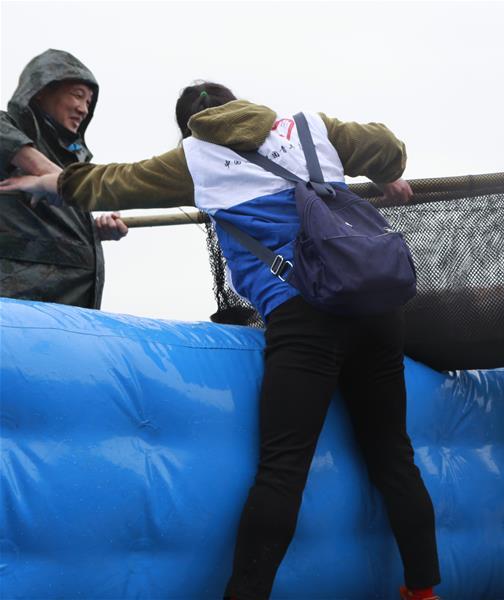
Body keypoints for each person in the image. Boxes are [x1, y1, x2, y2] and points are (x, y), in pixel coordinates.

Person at [0, 82, 440, 600]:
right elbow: (389, 148)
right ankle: (421, 592)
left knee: (283, 470)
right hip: (378, 308)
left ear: (189, 127)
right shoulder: (307, 127)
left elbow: (109, 184)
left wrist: (48, 182)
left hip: (306, 315)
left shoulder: (197, 156)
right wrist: (387, 176)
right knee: (393, 455)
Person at [0, 48, 126, 308]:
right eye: (77, 96)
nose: (83, 109)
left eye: (89, 103)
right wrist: (53, 175)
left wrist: (94, 231)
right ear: (42, 91)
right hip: (18, 307)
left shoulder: (72, 161)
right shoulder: (10, 132)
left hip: (72, 311)